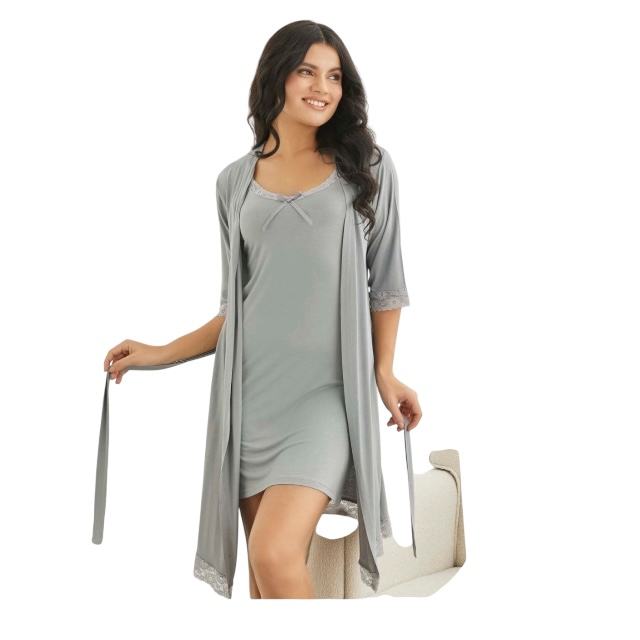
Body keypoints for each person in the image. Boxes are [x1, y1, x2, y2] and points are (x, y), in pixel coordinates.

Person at [102, 20, 422, 599]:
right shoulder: (234, 183)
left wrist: (385, 370)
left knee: (273, 553)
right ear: (276, 77)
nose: (322, 87)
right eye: (307, 72)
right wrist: (158, 354)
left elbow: (387, 284)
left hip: (327, 398)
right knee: (266, 576)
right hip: (250, 402)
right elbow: (237, 308)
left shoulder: (368, 167)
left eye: (334, 76)